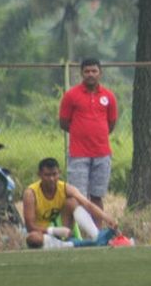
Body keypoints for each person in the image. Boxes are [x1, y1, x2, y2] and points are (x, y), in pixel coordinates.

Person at [59, 58, 118, 217]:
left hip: (102, 153)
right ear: (81, 73)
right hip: (78, 154)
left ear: (100, 73)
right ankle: (79, 234)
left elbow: (111, 123)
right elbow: (64, 122)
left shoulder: (109, 96)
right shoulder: (71, 95)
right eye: (87, 71)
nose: (90, 74)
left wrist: (97, 134)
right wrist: (81, 133)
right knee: (77, 196)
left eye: (94, 71)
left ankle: (97, 235)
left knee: (97, 196)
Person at [23, 157, 118, 249]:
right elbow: (30, 227)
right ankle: (71, 245)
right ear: (39, 175)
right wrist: (54, 231)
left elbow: (87, 204)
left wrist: (106, 218)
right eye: (47, 175)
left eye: (54, 174)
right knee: (33, 238)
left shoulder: (65, 188)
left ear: (59, 173)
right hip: (44, 233)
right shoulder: (30, 193)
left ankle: (96, 237)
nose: (51, 179)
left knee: (72, 201)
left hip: (64, 229)